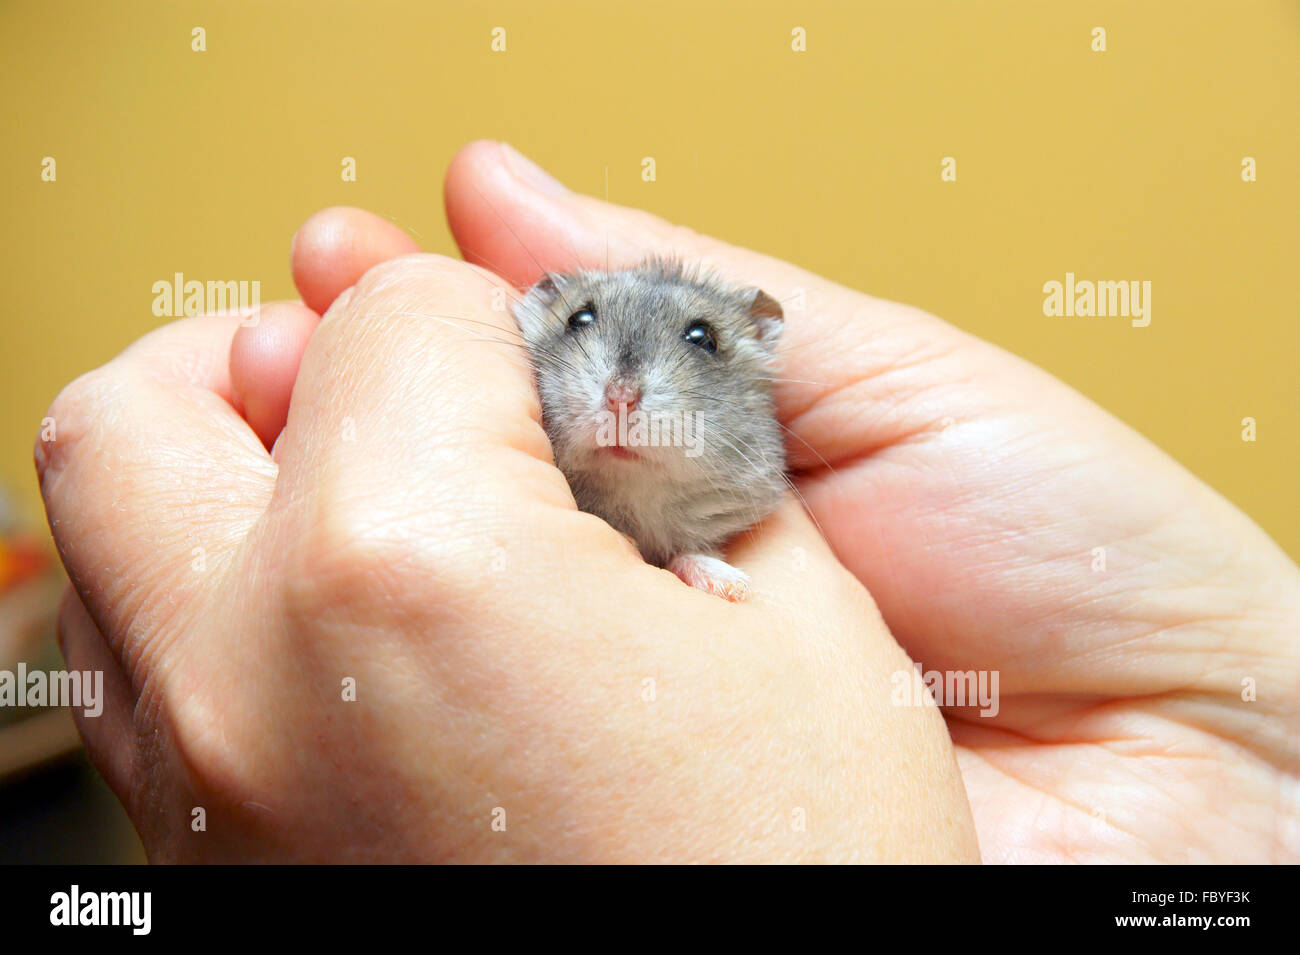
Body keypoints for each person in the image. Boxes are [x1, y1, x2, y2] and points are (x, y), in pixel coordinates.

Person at [35, 141, 1299, 863]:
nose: (626, 384)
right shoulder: (483, 447)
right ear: (530, 329)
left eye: (691, 343)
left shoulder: (763, 493)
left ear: (752, 349)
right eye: (582, 326)